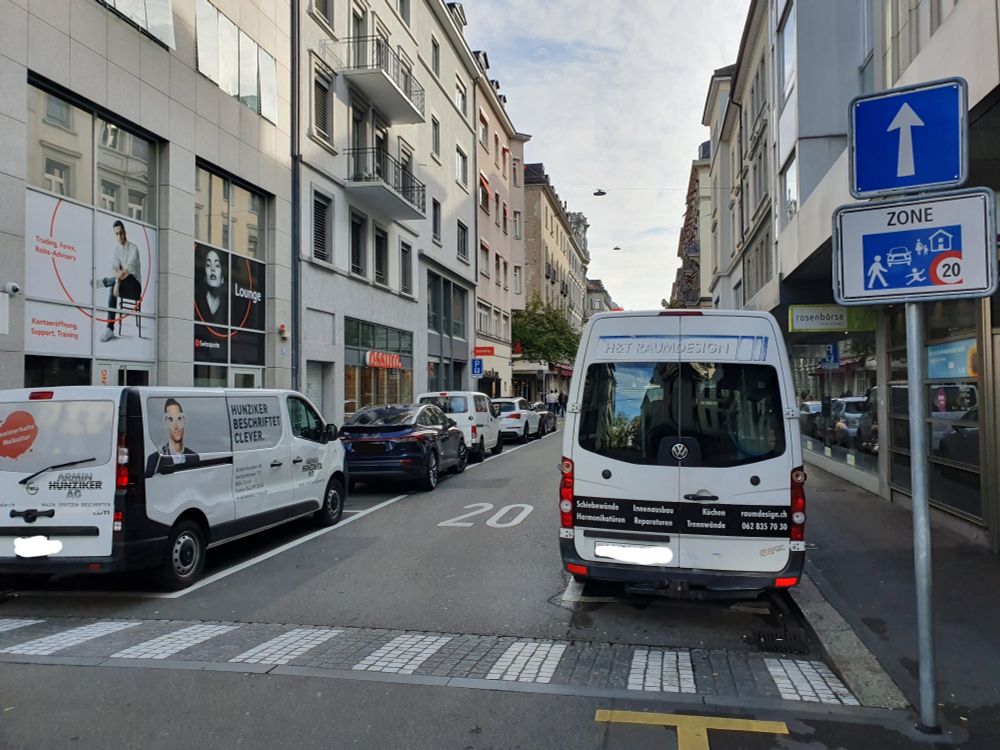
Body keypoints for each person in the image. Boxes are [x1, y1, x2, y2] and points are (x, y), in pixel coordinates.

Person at [99, 220, 142, 343]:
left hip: (134, 288)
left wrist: (117, 280)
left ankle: (104, 282)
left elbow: (125, 273)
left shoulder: (133, 249)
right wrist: (117, 279)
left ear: (125, 233)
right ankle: (110, 329)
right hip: (122, 285)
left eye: (121, 233)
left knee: (124, 278)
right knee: (112, 289)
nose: (119, 236)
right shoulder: (117, 250)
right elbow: (113, 268)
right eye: (117, 234)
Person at [145, 398, 200, 477]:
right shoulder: (154, 459)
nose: (175, 426)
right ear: (165, 424)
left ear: (184, 422)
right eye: (170, 419)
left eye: (179, 418)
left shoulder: (194, 457)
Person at [194, 246, 228, 326]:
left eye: (217, 265)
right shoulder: (197, 300)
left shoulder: (228, 306)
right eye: (208, 265)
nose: (213, 269)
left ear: (222, 278)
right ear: (205, 277)